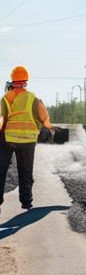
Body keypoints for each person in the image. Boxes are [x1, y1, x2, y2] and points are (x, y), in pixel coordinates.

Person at [0, 65, 53, 214]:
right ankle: (26, 202)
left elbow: (1, 119)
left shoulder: (5, 98)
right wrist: (49, 129)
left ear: (12, 80)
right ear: (25, 81)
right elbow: (45, 119)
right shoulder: (33, 98)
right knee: (25, 171)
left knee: (1, 169)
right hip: (28, 142)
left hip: (8, 139)